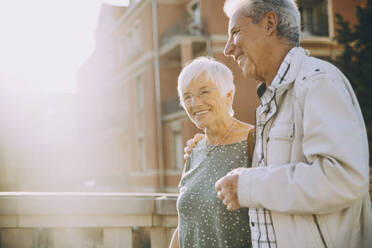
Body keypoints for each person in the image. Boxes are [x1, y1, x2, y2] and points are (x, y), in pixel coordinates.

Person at [187, 0, 372, 247]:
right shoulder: (271, 99)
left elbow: (343, 179)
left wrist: (247, 185)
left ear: (269, 24)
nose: (229, 49)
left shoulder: (318, 82)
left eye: (235, 32)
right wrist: (207, 144)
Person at [169, 57, 254, 248]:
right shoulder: (195, 150)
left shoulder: (254, 141)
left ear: (229, 95)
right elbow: (185, 224)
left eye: (204, 92)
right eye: (187, 96)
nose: (195, 103)